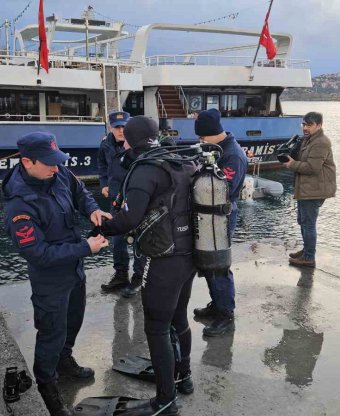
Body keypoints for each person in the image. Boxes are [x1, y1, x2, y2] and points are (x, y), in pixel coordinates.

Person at [2, 131, 111, 416]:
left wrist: (93, 211)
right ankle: (47, 385)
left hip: (74, 266)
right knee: (52, 331)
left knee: (73, 319)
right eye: (49, 162)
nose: (56, 166)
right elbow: (36, 253)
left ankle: (65, 361)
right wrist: (85, 248)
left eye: (57, 160)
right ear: (27, 161)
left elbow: (81, 193)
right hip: (50, 278)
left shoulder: (58, 172)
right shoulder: (19, 203)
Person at [100, 116, 197, 415]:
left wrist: (101, 230)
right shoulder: (180, 161)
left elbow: (129, 219)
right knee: (178, 319)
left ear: (130, 139)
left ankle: (165, 400)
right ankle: (184, 378)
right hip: (190, 256)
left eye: (124, 137)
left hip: (163, 259)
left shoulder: (145, 170)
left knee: (156, 327)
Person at [192, 108, 247, 337]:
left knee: (219, 265)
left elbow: (224, 190)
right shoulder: (215, 149)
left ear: (214, 133)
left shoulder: (232, 155)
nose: (200, 141)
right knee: (208, 262)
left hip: (221, 215)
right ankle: (217, 304)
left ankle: (226, 314)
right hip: (209, 215)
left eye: (203, 137)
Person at [97, 110, 146, 296]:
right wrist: (103, 184)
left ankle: (139, 277)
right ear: (111, 127)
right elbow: (101, 165)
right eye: (117, 127)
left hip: (135, 198)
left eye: (124, 127)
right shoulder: (105, 144)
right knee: (117, 239)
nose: (120, 131)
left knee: (138, 239)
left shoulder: (137, 145)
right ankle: (120, 275)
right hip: (116, 198)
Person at [283, 111, 336, 267]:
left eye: (309, 125)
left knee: (308, 224)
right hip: (307, 187)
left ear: (319, 125)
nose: (305, 128)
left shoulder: (321, 142)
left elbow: (313, 168)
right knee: (303, 221)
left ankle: (309, 257)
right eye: (304, 124)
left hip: (314, 189)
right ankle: (306, 250)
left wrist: (291, 164)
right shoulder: (309, 140)